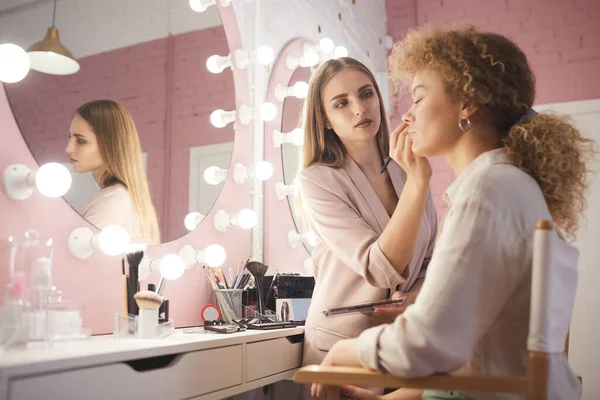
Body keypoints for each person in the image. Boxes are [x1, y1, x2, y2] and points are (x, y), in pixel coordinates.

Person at [311, 26, 594, 400]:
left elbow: (428, 343)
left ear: (467, 103)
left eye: (418, 97)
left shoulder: (486, 190)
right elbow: (473, 353)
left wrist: (340, 353)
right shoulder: (508, 184)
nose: (407, 116)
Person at [299, 56, 438, 375]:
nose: (359, 109)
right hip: (340, 346)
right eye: (341, 103)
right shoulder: (319, 181)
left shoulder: (409, 170)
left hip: (400, 343)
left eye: (366, 94)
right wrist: (419, 182)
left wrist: (413, 298)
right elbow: (379, 268)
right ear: (325, 120)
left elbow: (430, 260)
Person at [66, 100, 160, 245]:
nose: (69, 148)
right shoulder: (126, 197)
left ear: (109, 144)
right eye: (70, 138)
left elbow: (73, 259)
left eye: (80, 141)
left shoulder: (113, 200)